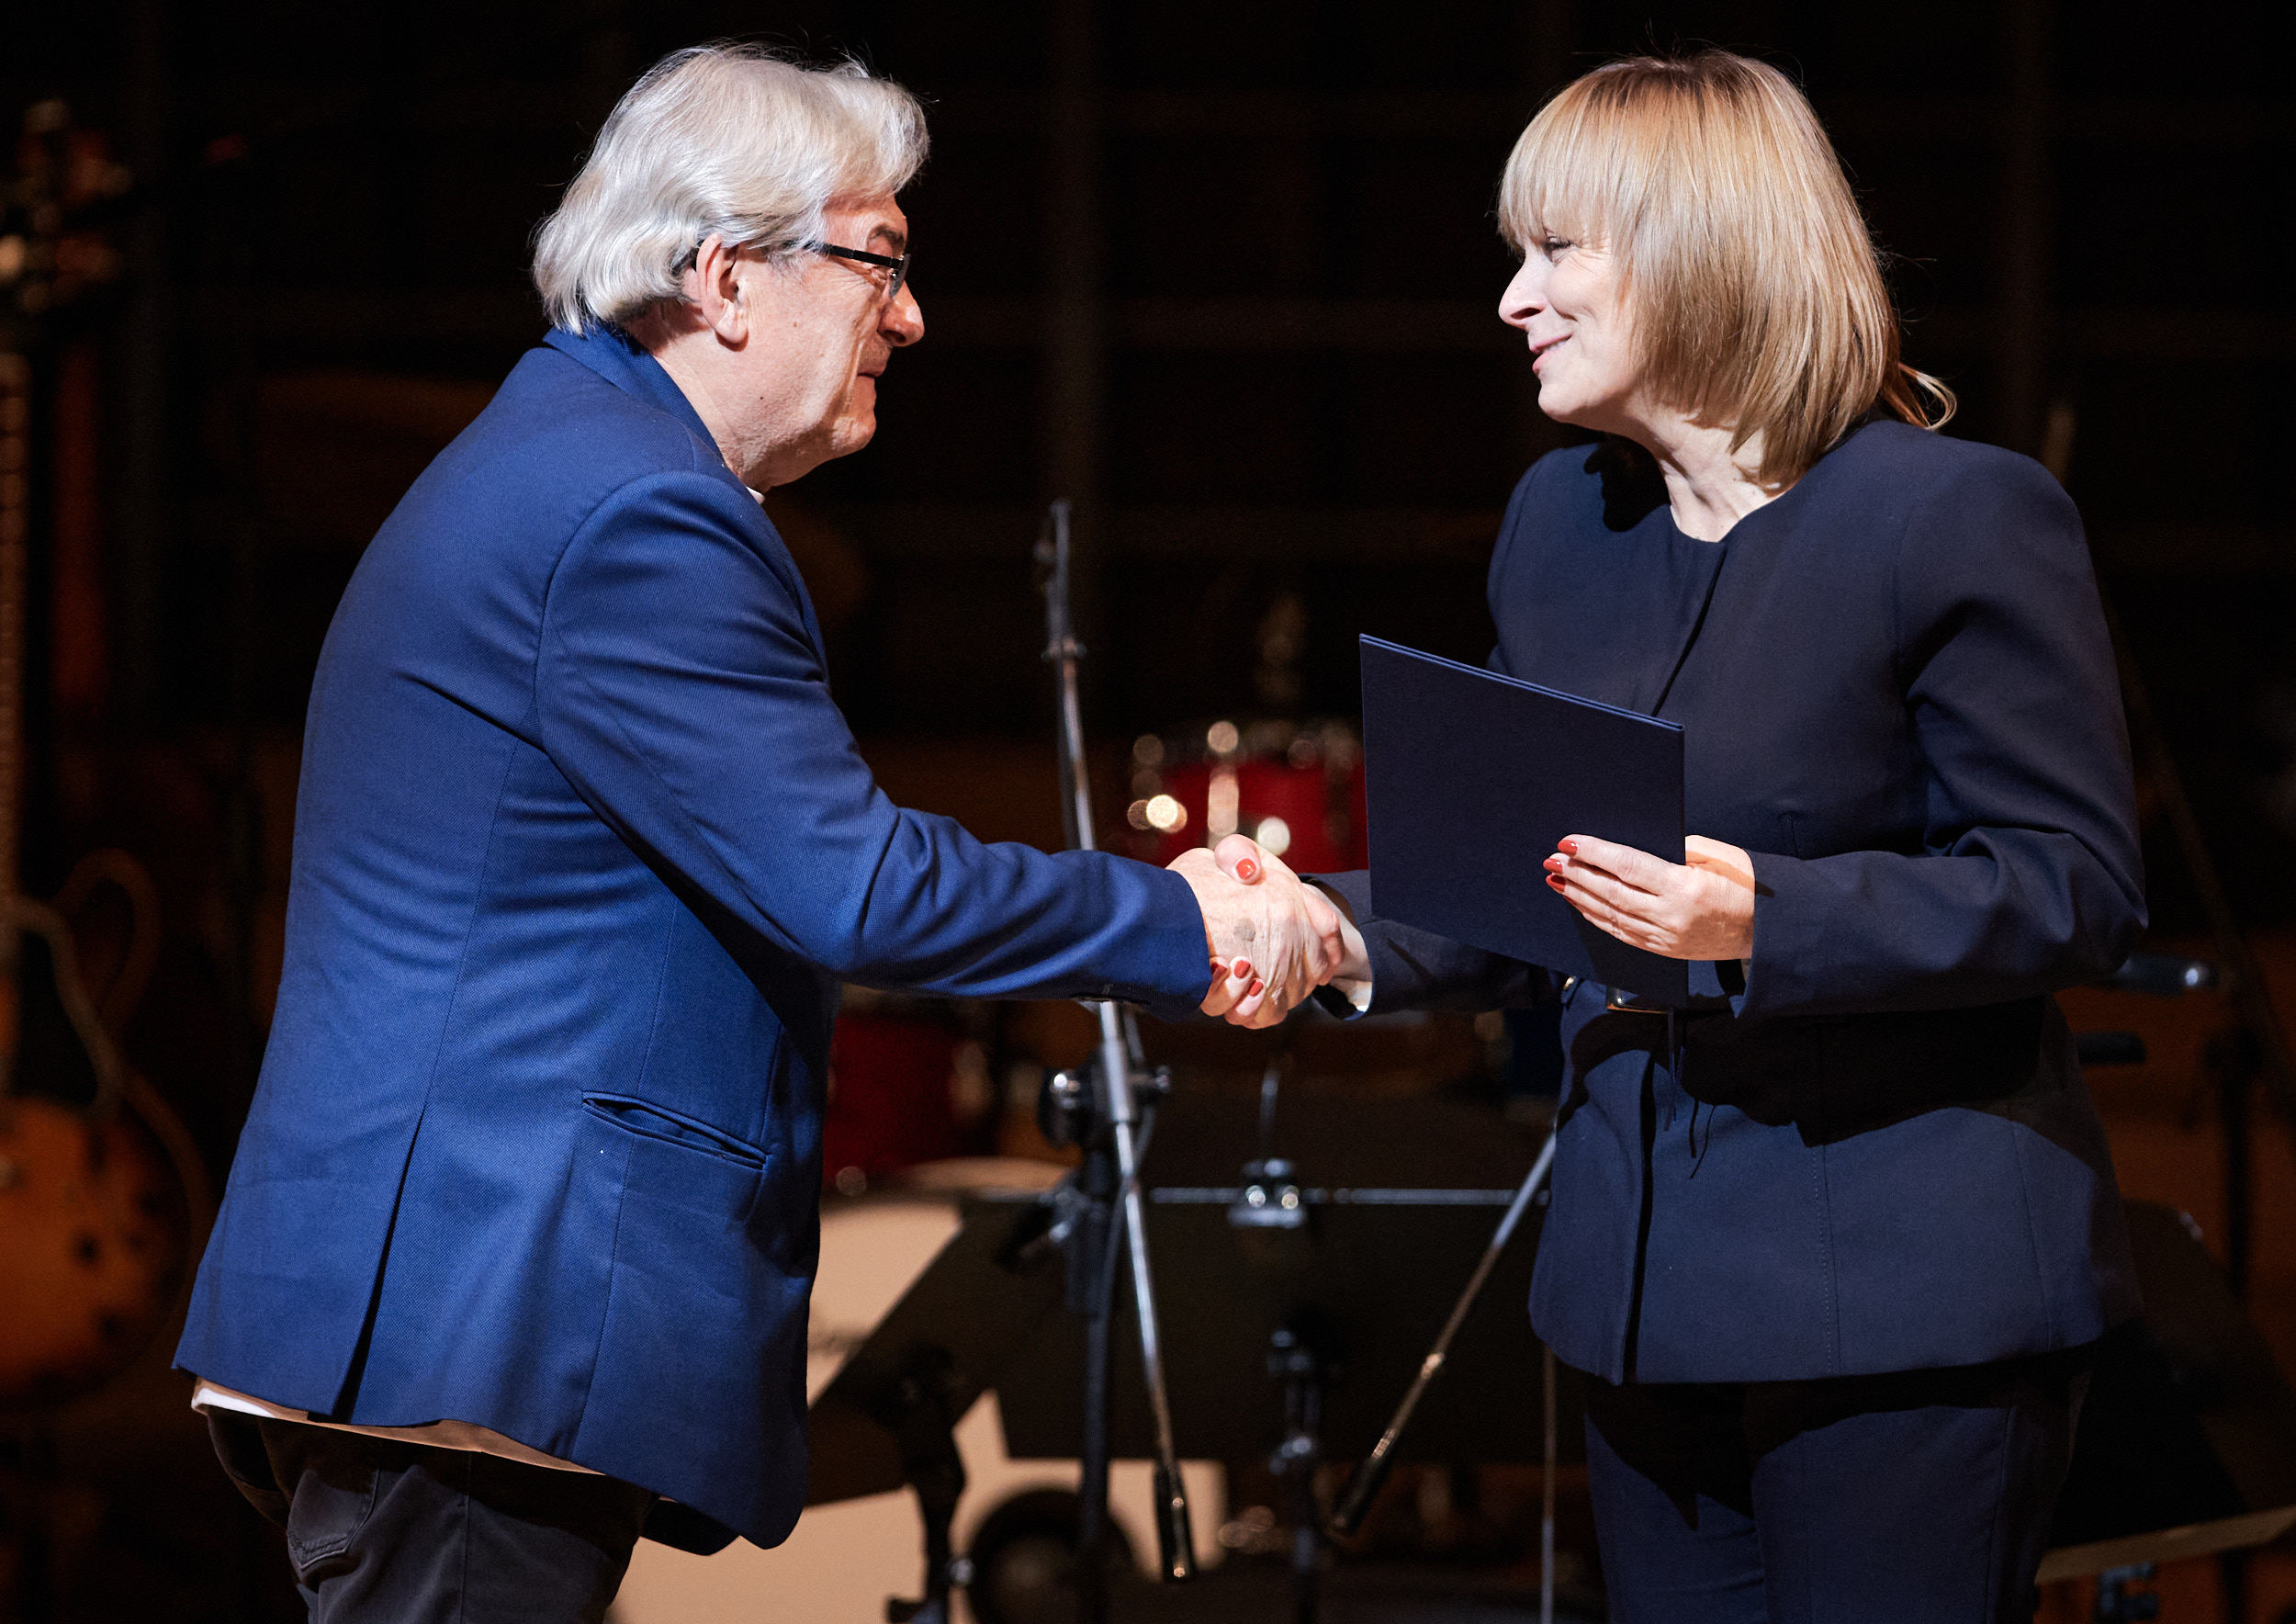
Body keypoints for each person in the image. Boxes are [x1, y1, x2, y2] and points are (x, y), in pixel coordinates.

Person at [174, 45, 1334, 1622]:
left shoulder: (567, 456)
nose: (911, 318)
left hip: (451, 1318)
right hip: (475, 1317)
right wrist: (1191, 926)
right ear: (724, 277)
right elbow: (857, 887)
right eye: (881, 263)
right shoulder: (638, 512)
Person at [1231, 50, 2145, 1622]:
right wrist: (1318, 926)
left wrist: (1768, 919)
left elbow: (2076, 885)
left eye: (1555, 251)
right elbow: (1515, 879)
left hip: (1901, 1309)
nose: (1514, 300)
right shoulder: (1561, 526)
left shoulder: (1951, 517)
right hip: (1641, 1304)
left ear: (1699, 250)